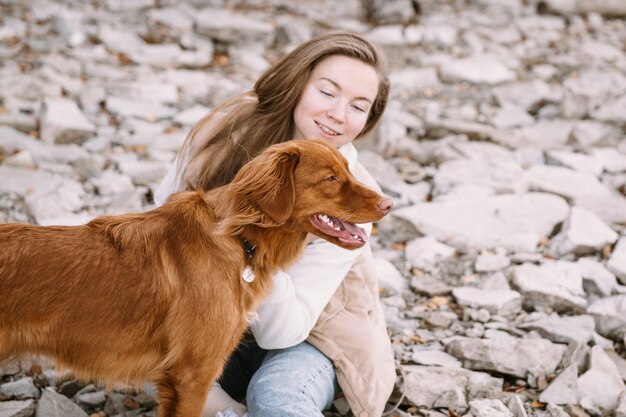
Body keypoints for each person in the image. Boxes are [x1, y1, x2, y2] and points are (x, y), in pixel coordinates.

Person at [154, 32, 396, 417]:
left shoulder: (357, 201)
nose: (338, 113)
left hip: (310, 339)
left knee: (276, 398)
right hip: (208, 316)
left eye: (358, 106)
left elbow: (282, 332)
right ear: (298, 82)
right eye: (328, 91)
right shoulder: (222, 136)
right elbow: (161, 219)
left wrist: (260, 246)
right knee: (133, 335)